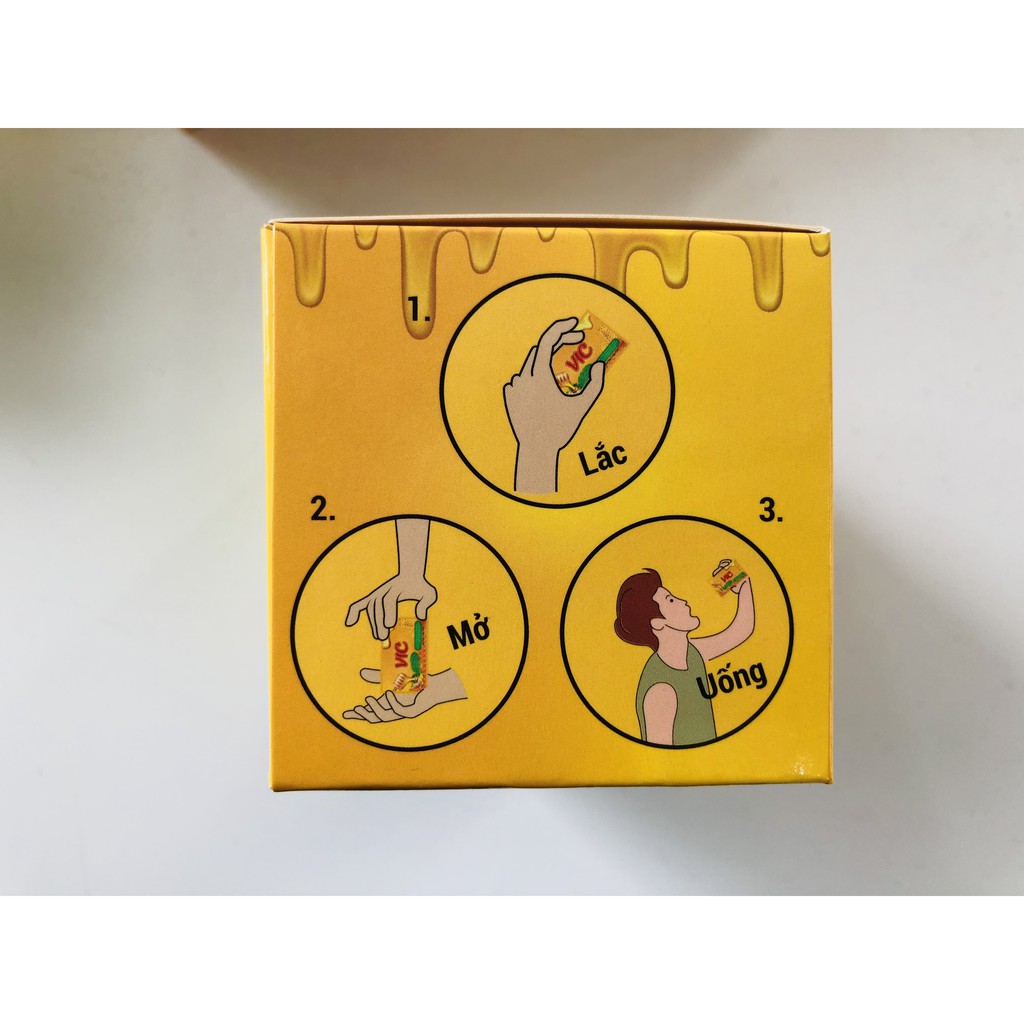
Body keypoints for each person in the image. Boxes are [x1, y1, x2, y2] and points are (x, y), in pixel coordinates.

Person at [614, 568, 754, 746]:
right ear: (658, 623)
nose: (683, 601)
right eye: (670, 600)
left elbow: (740, 631)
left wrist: (742, 583)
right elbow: (661, 757)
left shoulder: (691, 653)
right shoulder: (660, 690)